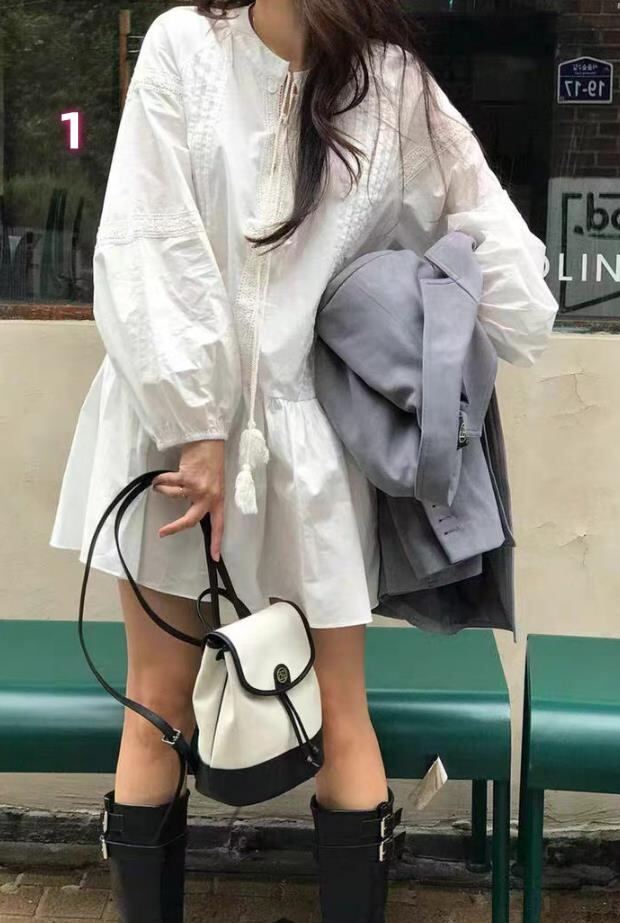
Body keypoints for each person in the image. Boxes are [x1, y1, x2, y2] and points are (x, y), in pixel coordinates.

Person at [49, 1, 559, 921]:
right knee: (159, 701)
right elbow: (145, 239)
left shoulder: (393, 83)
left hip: (301, 440)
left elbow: (507, 273)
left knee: (335, 709)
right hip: (167, 433)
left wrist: (431, 319)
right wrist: (196, 420)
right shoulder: (182, 44)